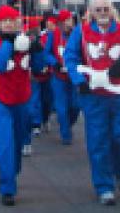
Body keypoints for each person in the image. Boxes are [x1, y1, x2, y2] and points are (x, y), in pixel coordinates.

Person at [64, 0, 120, 206]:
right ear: (90, 12)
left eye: (106, 9)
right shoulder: (80, 33)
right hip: (93, 96)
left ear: (112, 10)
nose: (102, 13)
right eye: (98, 10)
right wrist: (79, 80)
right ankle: (104, 186)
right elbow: (70, 58)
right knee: (98, 141)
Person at [0, 5, 48, 206]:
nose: (8, 23)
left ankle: (12, 172)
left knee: (18, 140)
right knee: (6, 141)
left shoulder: (26, 40)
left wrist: (37, 49)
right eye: (4, 21)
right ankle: (7, 187)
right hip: (0, 98)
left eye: (12, 20)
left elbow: (38, 68)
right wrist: (9, 44)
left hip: (22, 97)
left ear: (19, 22)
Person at [45, 9, 80, 145]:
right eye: (66, 20)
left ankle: (68, 123)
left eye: (70, 19)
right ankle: (65, 133)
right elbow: (47, 53)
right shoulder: (54, 35)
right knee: (61, 107)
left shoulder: (77, 35)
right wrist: (55, 63)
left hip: (74, 75)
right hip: (58, 76)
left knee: (76, 105)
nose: (69, 22)